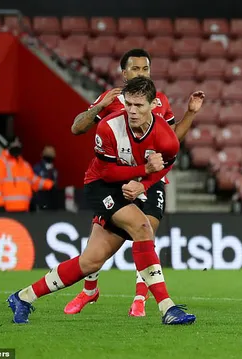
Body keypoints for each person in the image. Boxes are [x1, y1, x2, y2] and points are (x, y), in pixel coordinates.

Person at [7, 77, 196, 325]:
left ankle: (23, 297)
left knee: (90, 261)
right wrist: (142, 170)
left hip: (131, 184)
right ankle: (167, 308)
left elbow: (165, 164)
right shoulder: (109, 127)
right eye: (128, 104)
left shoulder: (166, 136)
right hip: (101, 186)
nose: (132, 111)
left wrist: (145, 183)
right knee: (142, 227)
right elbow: (107, 172)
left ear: (153, 104)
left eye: (139, 105)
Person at [67, 48, 205, 317]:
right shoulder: (112, 100)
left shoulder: (158, 101)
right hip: (114, 177)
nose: (140, 73)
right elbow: (76, 128)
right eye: (135, 69)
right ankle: (89, 288)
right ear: (124, 73)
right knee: (99, 239)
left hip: (150, 179)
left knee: (145, 231)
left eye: (145, 69)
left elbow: (172, 141)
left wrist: (190, 113)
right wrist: (99, 105)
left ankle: (140, 297)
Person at [0, 137, 54, 212]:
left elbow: (33, 180)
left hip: (24, 210)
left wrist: (50, 185)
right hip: (6, 210)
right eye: (14, 145)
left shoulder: (24, 165)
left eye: (18, 145)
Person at [32, 145, 60, 211]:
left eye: (52, 152)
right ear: (42, 154)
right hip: (40, 200)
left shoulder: (54, 170)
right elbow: (34, 184)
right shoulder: (37, 168)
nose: (50, 154)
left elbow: (56, 185)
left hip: (52, 202)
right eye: (48, 152)